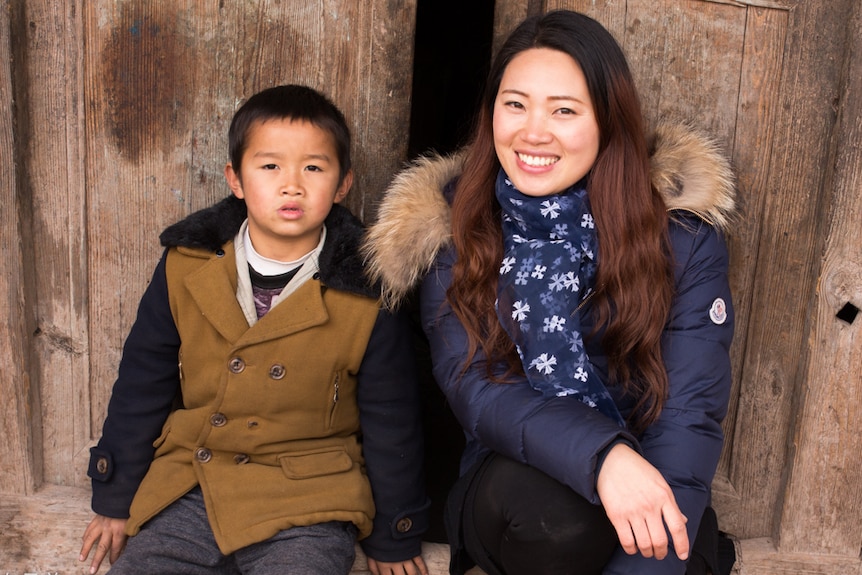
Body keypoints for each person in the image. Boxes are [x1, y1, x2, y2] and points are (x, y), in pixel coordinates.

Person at [362, 10, 735, 575]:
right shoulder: (456, 230)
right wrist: (605, 456)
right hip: (510, 479)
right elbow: (478, 390)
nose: (533, 132)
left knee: (662, 542)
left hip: (654, 478)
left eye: (564, 110)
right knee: (558, 521)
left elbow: (690, 412)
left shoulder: (682, 240)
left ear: (608, 121)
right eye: (515, 104)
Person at [78, 84, 430, 575]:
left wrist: (395, 536)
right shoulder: (187, 266)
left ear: (343, 183)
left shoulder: (369, 289)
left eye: (314, 167)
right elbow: (143, 380)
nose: (293, 185)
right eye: (270, 167)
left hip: (311, 501)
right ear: (236, 180)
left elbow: (391, 416)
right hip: (194, 483)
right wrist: (115, 496)